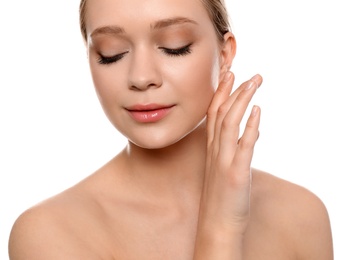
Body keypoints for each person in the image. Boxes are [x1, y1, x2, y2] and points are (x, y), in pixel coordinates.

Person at [8, 0, 333, 259]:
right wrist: (220, 230)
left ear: (225, 53)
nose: (141, 76)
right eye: (111, 54)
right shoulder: (49, 233)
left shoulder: (301, 215)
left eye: (174, 46)